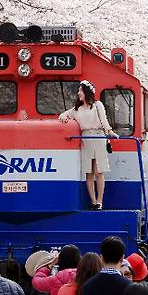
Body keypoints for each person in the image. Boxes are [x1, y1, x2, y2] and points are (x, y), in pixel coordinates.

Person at [59, 80, 118, 210]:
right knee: (89, 173)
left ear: (86, 92)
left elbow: (104, 121)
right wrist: (65, 118)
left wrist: (110, 132)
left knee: (99, 171)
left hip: (98, 137)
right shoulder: (77, 109)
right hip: (85, 139)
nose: (78, 93)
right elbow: (63, 115)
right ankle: (92, 201)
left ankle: (99, 202)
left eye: (80, 90)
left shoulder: (98, 105)